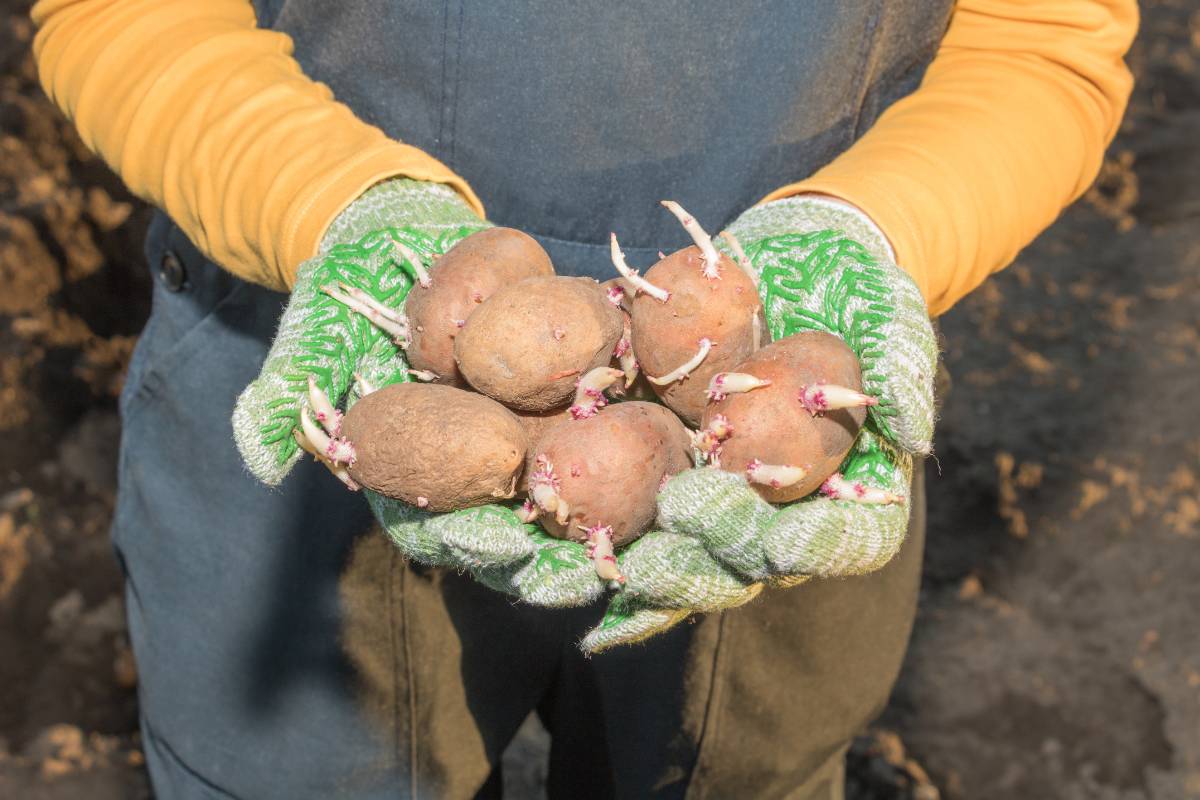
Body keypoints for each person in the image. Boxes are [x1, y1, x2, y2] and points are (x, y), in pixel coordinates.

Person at [31, 1, 1136, 797]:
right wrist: (336, 209)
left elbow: (1043, 43)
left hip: (772, 445)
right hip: (327, 360)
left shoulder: (768, 409)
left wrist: (869, 234)